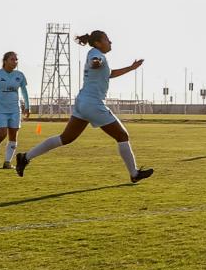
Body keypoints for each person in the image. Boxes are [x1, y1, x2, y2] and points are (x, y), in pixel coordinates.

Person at [16, 30, 151, 183]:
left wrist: (131, 68)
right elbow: (95, 61)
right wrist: (96, 62)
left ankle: (25, 157)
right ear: (98, 43)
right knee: (122, 136)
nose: (110, 42)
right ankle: (134, 173)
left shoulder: (98, 54)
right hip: (93, 104)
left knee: (65, 138)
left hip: (83, 102)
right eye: (107, 40)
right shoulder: (95, 53)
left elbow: (109, 74)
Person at [0, 52, 29, 168]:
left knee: (13, 136)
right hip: (0, 110)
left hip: (15, 110)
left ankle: (7, 162)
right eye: (12, 59)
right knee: (2, 133)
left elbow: (24, 92)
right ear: (5, 61)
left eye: (16, 60)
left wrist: (27, 106)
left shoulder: (20, 75)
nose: (15, 62)